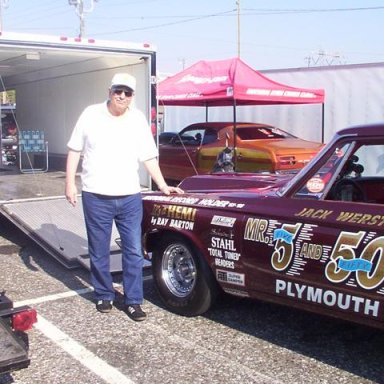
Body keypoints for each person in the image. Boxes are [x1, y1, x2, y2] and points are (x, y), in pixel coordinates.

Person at [65, 73, 183, 321]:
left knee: (132, 250)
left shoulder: (137, 119)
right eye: (118, 91)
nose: (122, 96)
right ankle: (104, 294)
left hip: (129, 197)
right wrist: (69, 184)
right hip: (96, 196)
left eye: (127, 92)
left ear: (132, 96)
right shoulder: (91, 114)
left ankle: (133, 301)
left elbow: (148, 156)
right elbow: (75, 149)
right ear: (109, 91)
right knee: (99, 250)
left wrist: (162, 185)